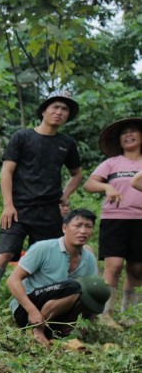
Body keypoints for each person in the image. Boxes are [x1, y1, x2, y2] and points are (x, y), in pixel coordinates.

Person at [0, 91, 83, 310]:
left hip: (49, 212)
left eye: (65, 109)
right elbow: (6, 172)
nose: (59, 112)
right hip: (19, 209)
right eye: (55, 107)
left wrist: (65, 195)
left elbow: (77, 174)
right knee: (5, 252)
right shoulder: (23, 137)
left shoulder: (67, 143)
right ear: (44, 110)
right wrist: (8, 205)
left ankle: (33, 300)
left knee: (46, 257)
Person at [6, 208, 107, 346]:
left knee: (95, 290)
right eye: (78, 225)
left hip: (59, 312)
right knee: (74, 286)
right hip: (27, 310)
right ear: (64, 228)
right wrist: (32, 311)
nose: (83, 231)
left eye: (88, 226)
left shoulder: (88, 258)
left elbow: (94, 294)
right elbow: (12, 280)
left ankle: (66, 334)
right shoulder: (44, 248)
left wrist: (82, 328)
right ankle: (37, 330)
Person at [84, 117, 142, 321]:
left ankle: (130, 316)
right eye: (124, 133)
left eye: (133, 131)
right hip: (115, 219)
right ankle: (105, 314)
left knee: (137, 268)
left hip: (140, 220)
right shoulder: (112, 163)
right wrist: (107, 186)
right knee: (114, 265)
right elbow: (89, 184)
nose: (128, 135)